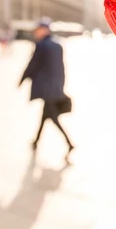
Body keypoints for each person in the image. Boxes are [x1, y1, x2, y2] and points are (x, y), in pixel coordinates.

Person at [19, 17, 74, 156]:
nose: (36, 33)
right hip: (55, 86)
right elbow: (61, 68)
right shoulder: (57, 44)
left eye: (38, 30)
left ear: (44, 30)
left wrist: (22, 78)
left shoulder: (42, 45)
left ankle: (69, 143)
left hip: (46, 88)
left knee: (52, 117)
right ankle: (36, 141)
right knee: (45, 116)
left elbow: (33, 65)